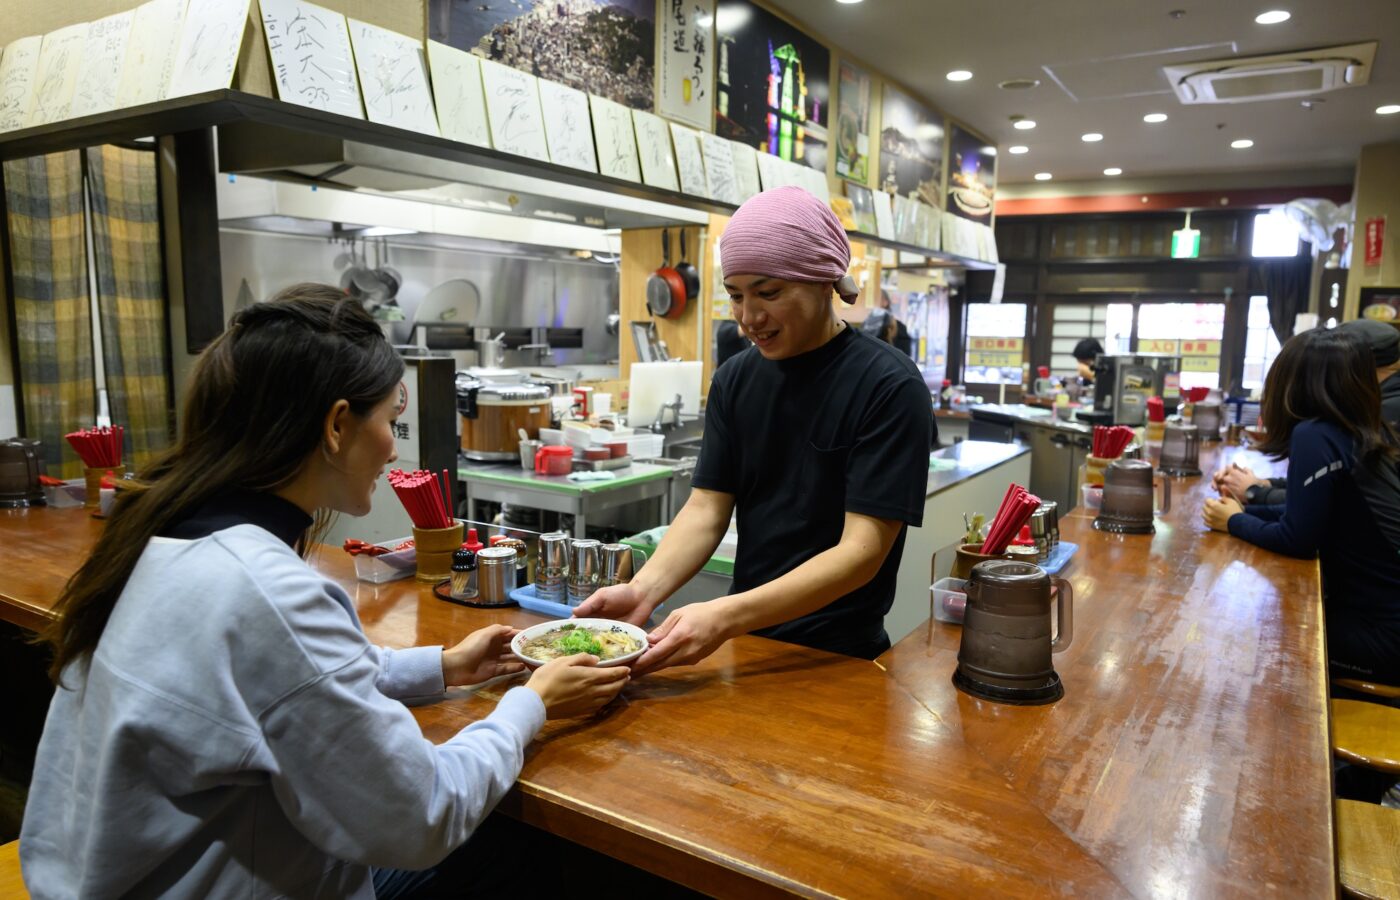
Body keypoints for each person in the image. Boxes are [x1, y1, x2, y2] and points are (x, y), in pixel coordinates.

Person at [20, 286, 630, 898]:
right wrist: (531, 705)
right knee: (524, 840)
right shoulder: (265, 591)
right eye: (389, 420)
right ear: (337, 426)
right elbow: (422, 814)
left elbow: (283, 681)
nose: (394, 448)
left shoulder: (158, 537)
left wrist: (443, 666)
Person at [575, 186, 935, 668]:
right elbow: (706, 507)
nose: (749, 317)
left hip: (838, 657)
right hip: (747, 646)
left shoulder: (888, 385)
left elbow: (861, 552)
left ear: (823, 280)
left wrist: (724, 615)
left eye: (769, 293)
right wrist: (642, 591)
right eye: (736, 295)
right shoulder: (735, 379)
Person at [1201, 327, 1400, 685]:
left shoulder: (1314, 435)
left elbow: (1298, 539)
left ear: (1294, 385)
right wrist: (1244, 512)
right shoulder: (1361, 428)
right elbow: (1307, 514)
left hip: (1381, 639)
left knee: (1254, 635)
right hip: (1377, 621)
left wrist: (1234, 522)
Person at [1213, 319, 1400, 504]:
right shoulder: (1372, 403)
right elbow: (1331, 486)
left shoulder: (1383, 412)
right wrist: (1262, 484)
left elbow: (1326, 503)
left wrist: (1254, 492)